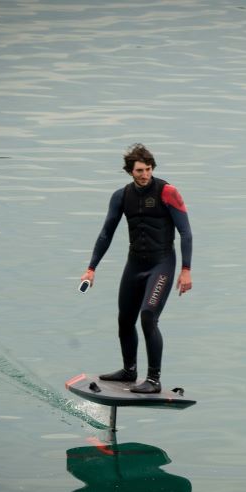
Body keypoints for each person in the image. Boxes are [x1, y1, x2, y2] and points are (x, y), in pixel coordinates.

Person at [80, 143, 192, 394]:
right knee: (124, 319)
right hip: (135, 264)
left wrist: (186, 269)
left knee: (148, 316)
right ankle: (129, 370)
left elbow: (185, 232)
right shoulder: (121, 196)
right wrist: (91, 268)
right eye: (140, 170)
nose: (145, 175)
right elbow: (106, 233)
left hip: (161, 263)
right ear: (130, 171)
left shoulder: (168, 192)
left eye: (148, 169)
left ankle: (153, 379)